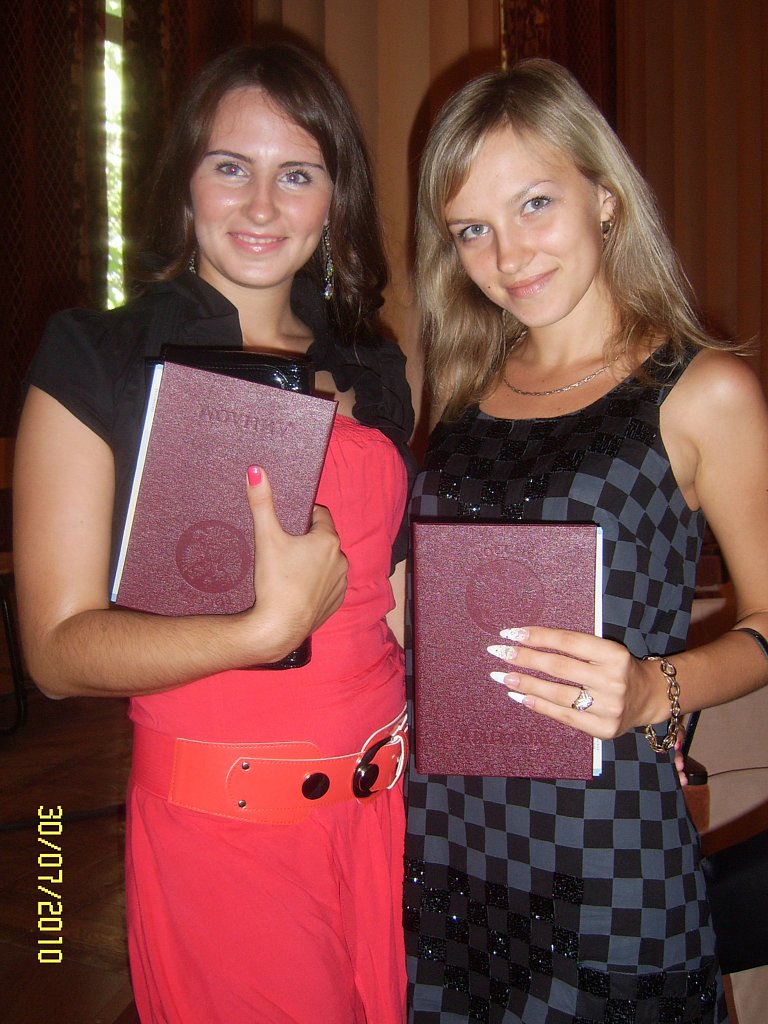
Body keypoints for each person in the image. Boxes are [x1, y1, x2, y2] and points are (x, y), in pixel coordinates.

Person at [14, 43, 415, 1023]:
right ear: (184, 182)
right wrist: (257, 632)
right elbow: (56, 653)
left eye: (298, 174)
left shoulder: (373, 365)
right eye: (231, 166)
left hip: (384, 818)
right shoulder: (100, 356)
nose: (263, 205)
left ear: (336, 198)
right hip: (230, 838)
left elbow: (391, 604)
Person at [404, 58, 768, 1023]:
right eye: (471, 229)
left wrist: (656, 687)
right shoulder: (463, 393)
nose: (508, 253)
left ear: (605, 196)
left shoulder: (701, 391)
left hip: (609, 850)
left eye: (534, 204)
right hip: (449, 841)